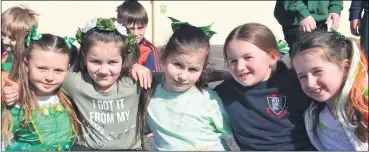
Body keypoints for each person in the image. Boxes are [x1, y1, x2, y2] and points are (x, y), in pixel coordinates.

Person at [3, 17, 153, 150]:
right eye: (95, 61)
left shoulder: (135, 81)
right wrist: (20, 87)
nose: (103, 70)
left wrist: (135, 66)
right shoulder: (72, 81)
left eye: (112, 62)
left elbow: (168, 80)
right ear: (84, 56)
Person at [214, 23, 315, 150]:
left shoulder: (297, 84)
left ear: (273, 57)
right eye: (233, 60)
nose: (240, 67)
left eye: (248, 57)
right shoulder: (224, 92)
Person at [146, 22, 233, 151]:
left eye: (193, 69)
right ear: (163, 57)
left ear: (202, 69)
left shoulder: (209, 100)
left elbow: (236, 132)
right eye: (178, 65)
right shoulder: (149, 98)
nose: (183, 76)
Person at [1, 27, 80, 151]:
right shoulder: (18, 103)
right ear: (26, 64)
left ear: (67, 69)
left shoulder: (70, 95)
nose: (49, 77)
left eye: (58, 70)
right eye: (42, 68)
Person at [291, 30, 368, 151]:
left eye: (317, 71)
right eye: (302, 76)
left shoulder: (363, 111)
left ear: (345, 67)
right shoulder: (313, 113)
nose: (310, 83)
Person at [274, 0, 343, 56]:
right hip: (297, 20)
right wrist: (301, 12)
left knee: (327, 58)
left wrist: (335, 8)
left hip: (325, 19)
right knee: (303, 60)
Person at [117, 0, 161, 72]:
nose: (136, 33)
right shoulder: (114, 44)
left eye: (140, 28)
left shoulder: (150, 50)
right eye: (131, 29)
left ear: (146, 25)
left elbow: (154, 77)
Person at [1, 5, 39, 73]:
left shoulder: (28, 60)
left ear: (27, 38)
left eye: (13, 38)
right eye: (2, 33)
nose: (5, 41)